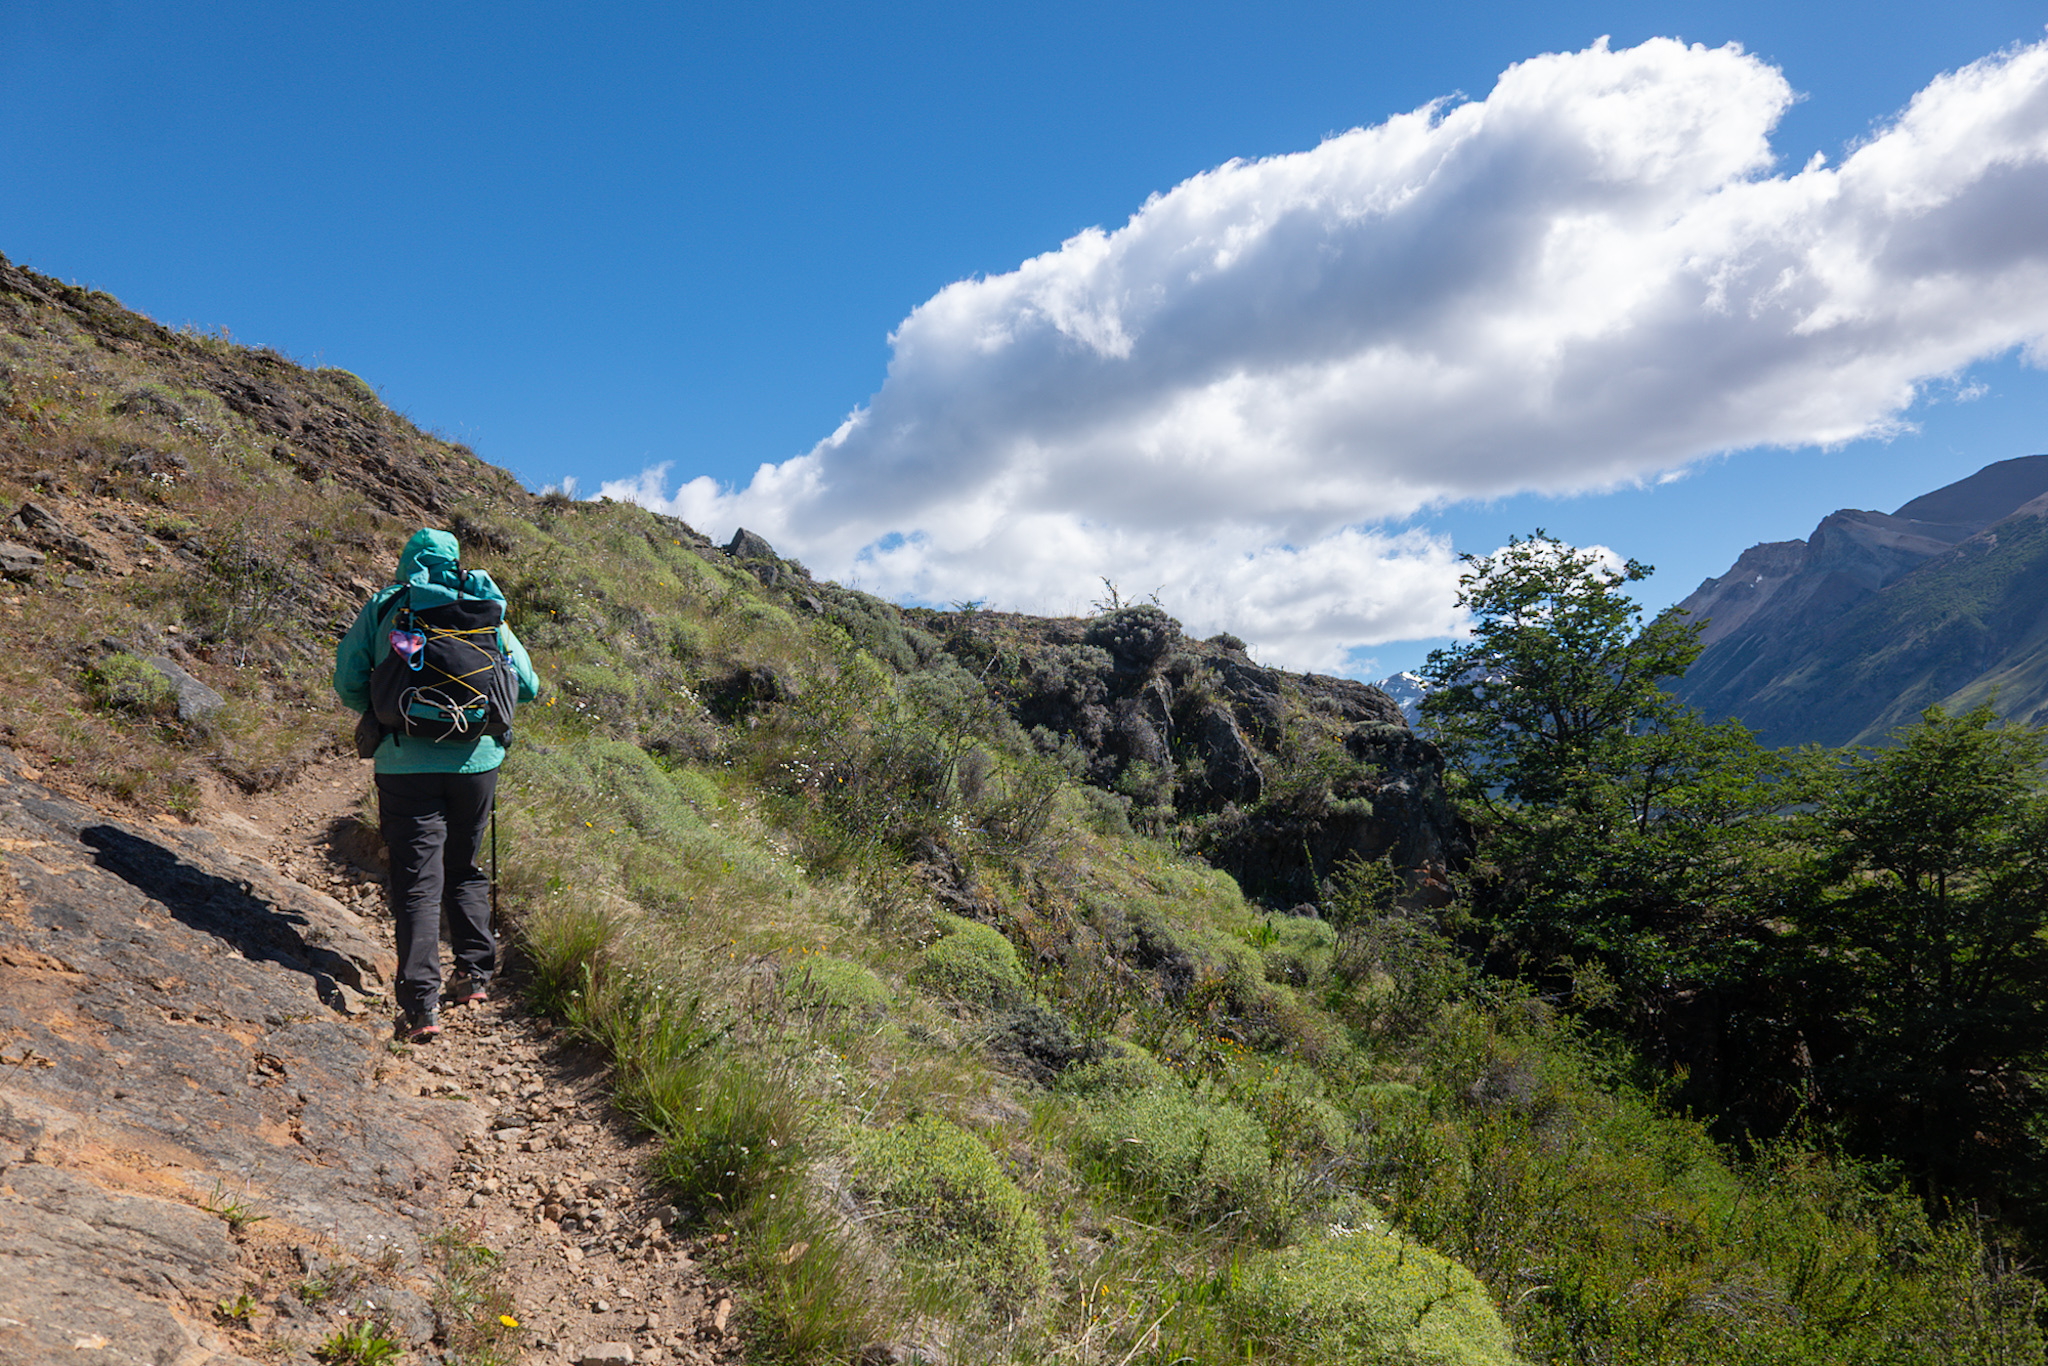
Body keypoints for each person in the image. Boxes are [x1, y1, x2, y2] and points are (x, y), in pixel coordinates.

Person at [333, 528, 539, 1042]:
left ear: (407, 562)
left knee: (417, 881)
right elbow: (528, 687)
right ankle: (473, 975)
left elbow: (347, 680)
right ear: (457, 564)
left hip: (405, 763)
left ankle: (422, 1006)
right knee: (464, 866)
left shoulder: (387, 606)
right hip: (477, 762)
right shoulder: (484, 606)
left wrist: (391, 711)